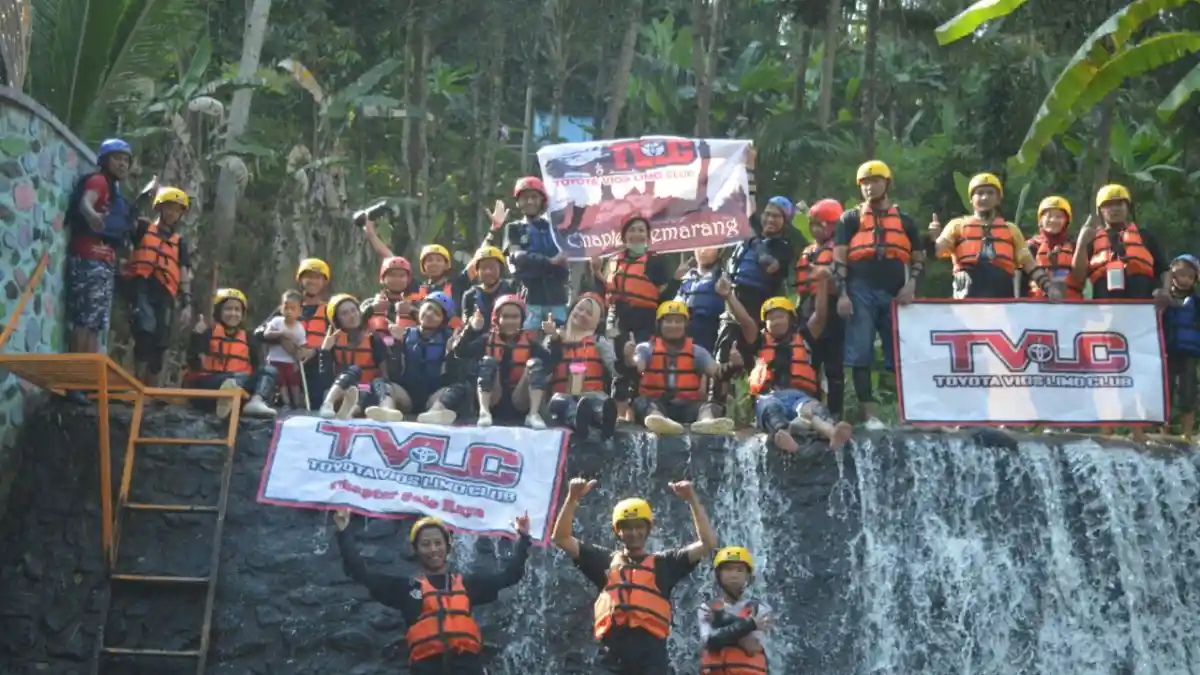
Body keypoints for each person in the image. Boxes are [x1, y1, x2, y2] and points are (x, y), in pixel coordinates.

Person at [333, 508, 532, 675]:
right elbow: (360, 573)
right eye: (426, 544)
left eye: (438, 543)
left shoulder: (469, 586)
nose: (433, 549)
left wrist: (523, 538)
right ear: (415, 549)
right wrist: (343, 531)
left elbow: (511, 575)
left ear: (448, 546)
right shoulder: (405, 588)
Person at [551, 477, 718, 675]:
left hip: (651, 658)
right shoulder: (604, 562)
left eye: (639, 526)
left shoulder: (665, 564)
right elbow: (560, 538)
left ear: (648, 529)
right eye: (627, 527)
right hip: (611, 656)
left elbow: (708, 543)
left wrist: (692, 499)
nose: (633, 532)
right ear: (618, 531)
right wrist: (572, 497)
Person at [831, 160, 926, 429]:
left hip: (895, 293)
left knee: (898, 353)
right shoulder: (849, 219)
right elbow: (839, 260)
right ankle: (870, 416)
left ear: (887, 183)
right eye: (865, 184)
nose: (870, 188)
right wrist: (842, 294)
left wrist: (912, 285)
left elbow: (919, 258)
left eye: (875, 181)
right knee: (860, 351)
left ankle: (905, 414)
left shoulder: (905, 222)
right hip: (860, 289)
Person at [727, 268, 854, 453]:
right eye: (771, 318)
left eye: (780, 316)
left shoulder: (805, 337)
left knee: (813, 410)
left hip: (800, 396)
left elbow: (820, 315)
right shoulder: (759, 341)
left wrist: (822, 284)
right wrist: (728, 296)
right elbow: (744, 320)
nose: (776, 322)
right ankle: (784, 436)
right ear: (765, 323)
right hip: (769, 396)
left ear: (791, 319)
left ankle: (832, 432)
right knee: (772, 410)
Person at [588, 213, 677, 421]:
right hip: (619, 317)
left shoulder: (656, 261)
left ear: (647, 235)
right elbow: (605, 291)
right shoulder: (614, 261)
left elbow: (664, 295)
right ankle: (618, 412)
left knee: (640, 362)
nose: (636, 233)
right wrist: (596, 272)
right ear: (624, 235)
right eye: (632, 229)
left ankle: (636, 411)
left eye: (641, 230)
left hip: (645, 317)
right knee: (619, 364)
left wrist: (676, 281)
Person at [65, 139, 137, 386]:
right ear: (105, 160)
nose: (123, 164)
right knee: (84, 321)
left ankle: (86, 380)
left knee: (96, 322)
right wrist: (92, 214)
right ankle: (75, 380)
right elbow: (87, 200)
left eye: (126, 160)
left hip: (104, 261)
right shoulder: (99, 181)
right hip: (89, 257)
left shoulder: (116, 194)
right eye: (118, 158)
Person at [930, 173, 1057, 300]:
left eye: (990, 193)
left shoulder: (1011, 229)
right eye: (979, 193)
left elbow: (1029, 263)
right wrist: (934, 238)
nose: (985, 197)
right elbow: (939, 250)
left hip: (1001, 289)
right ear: (971, 199)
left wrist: (1048, 286)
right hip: (968, 289)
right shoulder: (957, 225)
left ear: (998, 198)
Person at [629, 298, 737, 436]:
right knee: (641, 402)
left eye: (678, 321)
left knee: (711, 405)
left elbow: (717, 372)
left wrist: (733, 365)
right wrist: (628, 357)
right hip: (657, 403)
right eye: (668, 321)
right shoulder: (646, 348)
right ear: (659, 325)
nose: (673, 325)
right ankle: (658, 421)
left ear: (685, 325)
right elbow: (638, 365)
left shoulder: (697, 352)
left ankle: (706, 422)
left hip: (688, 406)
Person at [123, 186, 194, 386]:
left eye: (177, 209)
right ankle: (136, 384)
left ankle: (151, 390)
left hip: (165, 292)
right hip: (142, 284)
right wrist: (142, 198)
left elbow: (183, 272)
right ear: (159, 208)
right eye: (168, 208)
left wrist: (187, 302)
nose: (172, 213)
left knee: (160, 343)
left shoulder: (180, 243)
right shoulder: (144, 228)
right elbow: (128, 222)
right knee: (144, 331)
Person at [452, 294, 551, 429]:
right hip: (493, 399)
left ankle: (533, 414)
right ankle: (484, 412)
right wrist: (471, 329)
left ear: (522, 319)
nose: (510, 321)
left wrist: (554, 338)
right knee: (488, 361)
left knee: (535, 364)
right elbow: (460, 352)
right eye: (505, 317)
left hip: (519, 402)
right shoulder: (485, 340)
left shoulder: (531, 344)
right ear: (496, 319)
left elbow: (552, 362)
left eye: (515, 317)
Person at [487, 176, 572, 329]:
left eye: (534, 197)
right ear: (518, 202)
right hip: (529, 297)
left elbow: (567, 257)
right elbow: (518, 257)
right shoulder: (514, 228)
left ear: (542, 201)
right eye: (525, 198)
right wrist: (550, 262)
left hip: (557, 297)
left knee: (559, 342)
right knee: (526, 342)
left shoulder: (555, 228)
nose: (530, 201)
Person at [184, 288, 277, 419]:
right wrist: (196, 337)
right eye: (228, 309)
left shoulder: (249, 337)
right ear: (219, 311)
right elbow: (194, 364)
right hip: (210, 384)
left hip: (240, 384)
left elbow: (258, 367)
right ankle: (227, 392)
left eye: (237, 310)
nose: (233, 313)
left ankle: (256, 401)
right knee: (233, 379)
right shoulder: (207, 333)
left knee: (269, 370)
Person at [1072, 184, 1169, 301]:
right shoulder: (1091, 239)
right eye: (1108, 205)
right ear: (1100, 211)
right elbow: (1078, 278)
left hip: (1143, 305)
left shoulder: (1144, 235)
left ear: (1128, 207)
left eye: (1119, 204)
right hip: (1104, 309)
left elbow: (1164, 271)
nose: (1115, 209)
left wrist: (1165, 291)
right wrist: (1081, 244)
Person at [254, 258, 330, 409]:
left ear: (324, 282)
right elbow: (259, 333)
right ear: (300, 280)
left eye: (318, 277)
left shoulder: (329, 311)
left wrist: (313, 352)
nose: (313, 281)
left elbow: (337, 342)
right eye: (309, 277)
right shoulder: (286, 308)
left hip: (315, 366)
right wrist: (282, 337)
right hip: (286, 363)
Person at [796, 198, 847, 419]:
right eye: (814, 225)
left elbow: (846, 277)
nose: (817, 230)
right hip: (807, 307)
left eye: (822, 224)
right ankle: (812, 411)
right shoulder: (808, 251)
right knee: (809, 362)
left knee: (833, 363)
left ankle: (835, 413)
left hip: (832, 308)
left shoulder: (841, 250)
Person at [388, 292, 472, 425]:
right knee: (382, 383)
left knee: (460, 388)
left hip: (433, 397)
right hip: (408, 396)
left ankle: (434, 413)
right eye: (427, 308)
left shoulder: (448, 338)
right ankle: (387, 410)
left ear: (442, 321)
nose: (429, 314)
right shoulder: (406, 334)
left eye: (436, 313)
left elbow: (453, 377)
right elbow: (394, 373)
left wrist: (451, 354)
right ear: (419, 309)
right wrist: (396, 346)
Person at [544, 293, 619, 439]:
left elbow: (615, 369)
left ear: (596, 321)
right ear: (571, 310)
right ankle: (578, 420)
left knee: (599, 401)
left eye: (589, 313)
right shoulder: (554, 338)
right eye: (579, 309)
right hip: (563, 396)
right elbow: (544, 373)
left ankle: (603, 419)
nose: (582, 314)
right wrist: (553, 343)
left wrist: (624, 357)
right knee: (559, 402)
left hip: (592, 395)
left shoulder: (599, 342)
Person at [316, 294, 397, 420]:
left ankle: (385, 411)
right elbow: (325, 380)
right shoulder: (332, 342)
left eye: (354, 310)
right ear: (336, 320)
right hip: (341, 392)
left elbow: (386, 375)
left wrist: (395, 344)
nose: (352, 315)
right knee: (354, 370)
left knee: (378, 382)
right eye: (344, 313)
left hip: (368, 391)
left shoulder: (373, 339)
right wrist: (324, 351)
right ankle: (328, 404)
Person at [698, 547, 773, 675]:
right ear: (718, 575)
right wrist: (749, 625)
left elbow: (752, 647)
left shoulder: (760, 609)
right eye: (728, 569)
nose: (734, 574)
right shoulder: (706, 608)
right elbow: (711, 642)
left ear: (747, 576)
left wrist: (720, 620)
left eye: (740, 570)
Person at [1162, 254, 1200, 441]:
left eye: (1190, 276)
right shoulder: (1164, 299)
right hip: (1167, 351)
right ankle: (1164, 430)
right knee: (1165, 389)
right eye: (1180, 275)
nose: (1185, 280)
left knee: (1188, 391)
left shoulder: (1197, 300)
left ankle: (1188, 432)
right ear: (1173, 276)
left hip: (1188, 352)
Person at [1025, 196, 1084, 300]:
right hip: (1037, 306)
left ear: (1067, 221)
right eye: (1049, 216)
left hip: (1071, 306)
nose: (1053, 220)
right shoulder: (1031, 246)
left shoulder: (1075, 248)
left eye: (1059, 216)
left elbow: (1081, 278)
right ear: (1040, 221)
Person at [262, 290, 309, 409]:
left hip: (290, 361)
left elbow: (302, 346)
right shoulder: (276, 321)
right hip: (275, 359)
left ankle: (297, 403)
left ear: (299, 311)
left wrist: (298, 361)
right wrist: (280, 333)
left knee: (294, 383)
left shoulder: (299, 328)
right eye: (286, 307)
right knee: (281, 382)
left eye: (293, 308)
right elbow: (266, 334)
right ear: (281, 308)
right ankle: (286, 403)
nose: (289, 311)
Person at [673, 247, 725, 353]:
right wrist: (674, 282)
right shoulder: (686, 279)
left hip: (708, 347)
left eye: (710, 246)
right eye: (700, 246)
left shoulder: (724, 279)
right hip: (680, 348)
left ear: (719, 250)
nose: (704, 250)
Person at [460, 246, 519, 329]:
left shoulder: (511, 287)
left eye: (492, 267)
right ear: (477, 271)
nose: (488, 272)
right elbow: (464, 324)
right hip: (479, 339)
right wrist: (472, 322)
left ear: (500, 269)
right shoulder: (470, 295)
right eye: (483, 268)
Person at [361, 256, 418, 339]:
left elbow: (434, 324)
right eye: (392, 275)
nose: (397, 279)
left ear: (408, 280)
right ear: (382, 279)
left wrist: (412, 311)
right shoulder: (369, 303)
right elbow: (353, 324)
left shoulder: (417, 304)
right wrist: (371, 309)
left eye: (401, 276)